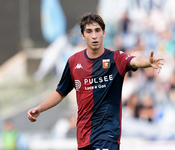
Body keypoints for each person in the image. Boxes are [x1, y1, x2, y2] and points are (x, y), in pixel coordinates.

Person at [27, 12, 164, 150]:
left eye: (97, 30)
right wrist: (40, 108)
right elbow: (60, 92)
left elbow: (135, 60)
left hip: (108, 135)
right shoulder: (73, 62)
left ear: (104, 33)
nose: (94, 35)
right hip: (84, 136)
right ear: (82, 35)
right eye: (89, 31)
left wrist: (148, 61)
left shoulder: (115, 59)